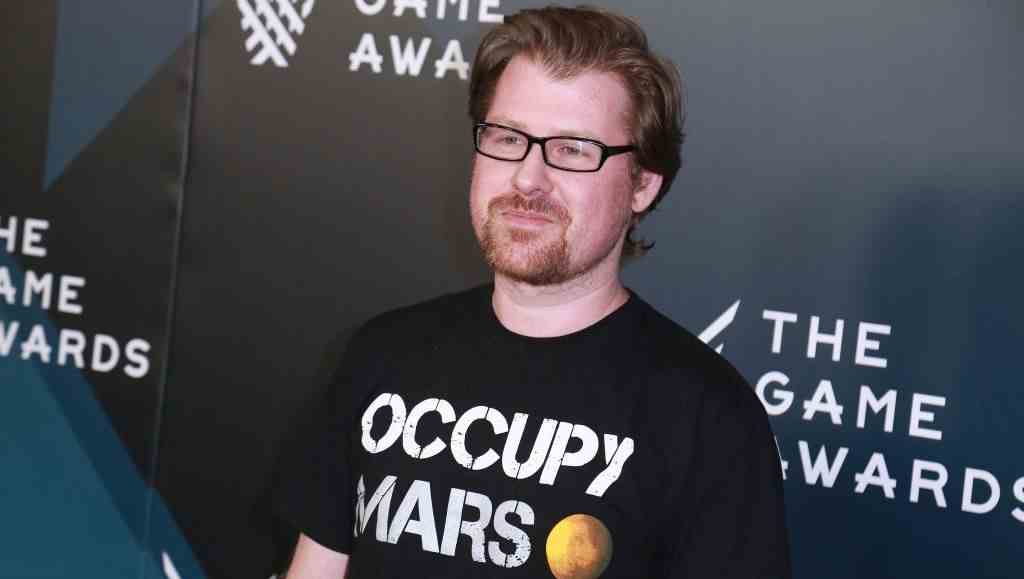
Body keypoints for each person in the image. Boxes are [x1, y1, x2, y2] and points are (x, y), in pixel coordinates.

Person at [276, 5, 790, 578]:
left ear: (643, 185)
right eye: (507, 137)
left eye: (572, 149)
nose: (527, 177)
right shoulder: (382, 354)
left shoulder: (706, 416)